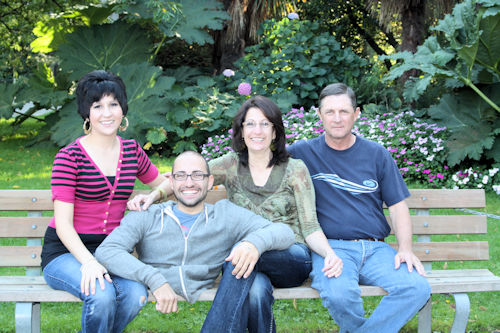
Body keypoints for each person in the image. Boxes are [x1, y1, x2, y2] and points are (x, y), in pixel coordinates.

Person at [128, 96, 343, 333]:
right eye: (250, 124)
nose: (257, 131)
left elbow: (310, 225)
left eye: (265, 124)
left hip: (290, 257)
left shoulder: (295, 169)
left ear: (275, 131)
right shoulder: (230, 164)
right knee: (256, 291)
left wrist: (328, 254)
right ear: (241, 131)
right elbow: (190, 175)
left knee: (236, 256)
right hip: (246, 265)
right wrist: (153, 196)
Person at [95, 151, 295, 332]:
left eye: (197, 175)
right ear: (171, 183)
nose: (189, 182)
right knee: (256, 285)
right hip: (156, 282)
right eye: (181, 175)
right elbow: (107, 251)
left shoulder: (224, 214)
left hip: (220, 286)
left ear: (209, 182)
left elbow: (284, 232)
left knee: (256, 285)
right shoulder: (148, 215)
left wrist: (253, 244)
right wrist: (154, 279)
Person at [287, 83, 431, 332]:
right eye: (329, 112)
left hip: (376, 249)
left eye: (344, 111)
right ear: (319, 115)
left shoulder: (377, 154)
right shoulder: (302, 152)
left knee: (417, 287)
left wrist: (405, 249)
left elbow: (397, 207)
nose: (337, 118)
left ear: (357, 114)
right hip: (332, 249)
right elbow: (262, 163)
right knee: (340, 295)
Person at [40, 70, 166, 333]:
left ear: (123, 110)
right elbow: (63, 225)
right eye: (98, 106)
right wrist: (89, 262)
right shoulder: (69, 157)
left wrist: (152, 195)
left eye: (113, 104)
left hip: (113, 250)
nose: (107, 113)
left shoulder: (132, 151)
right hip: (66, 252)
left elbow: (167, 182)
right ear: (87, 113)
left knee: (135, 295)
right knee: (102, 295)